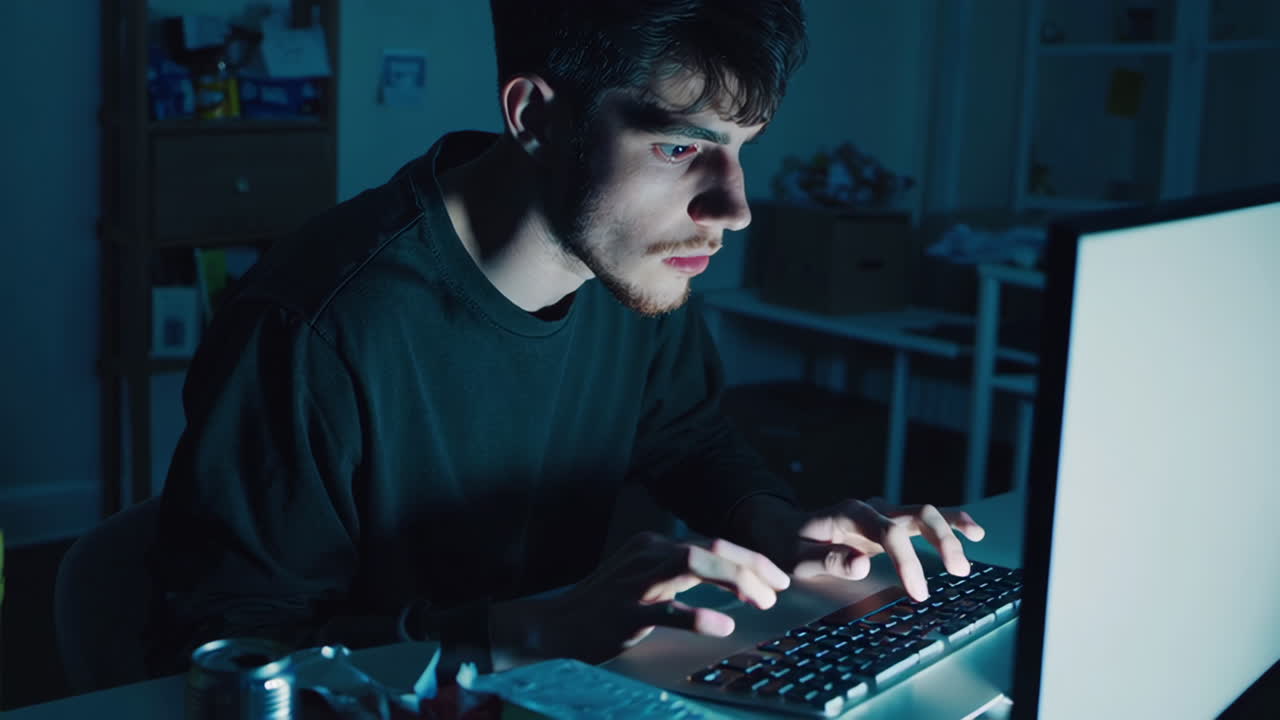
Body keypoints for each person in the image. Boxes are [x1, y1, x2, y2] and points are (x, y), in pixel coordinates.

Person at [145, 0, 985, 679]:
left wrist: (777, 525)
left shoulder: (634, 264)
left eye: (739, 151)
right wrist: (536, 630)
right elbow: (238, 656)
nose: (734, 209)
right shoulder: (311, 327)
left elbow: (687, 437)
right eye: (679, 146)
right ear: (536, 117)